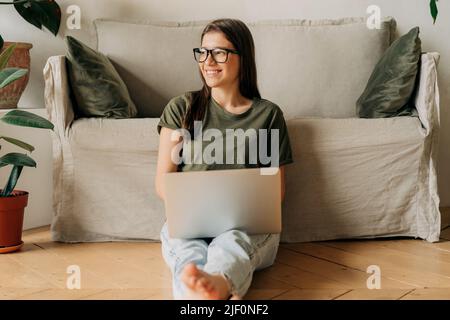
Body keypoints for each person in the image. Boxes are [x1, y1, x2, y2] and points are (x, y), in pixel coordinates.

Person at [155, 18, 293, 300]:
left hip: (247, 227)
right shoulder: (181, 108)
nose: (208, 61)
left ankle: (216, 284)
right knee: (187, 249)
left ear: (243, 58)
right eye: (203, 52)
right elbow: (162, 180)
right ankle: (200, 293)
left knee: (232, 243)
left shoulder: (268, 115)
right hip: (190, 223)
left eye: (219, 52)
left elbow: (275, 189)